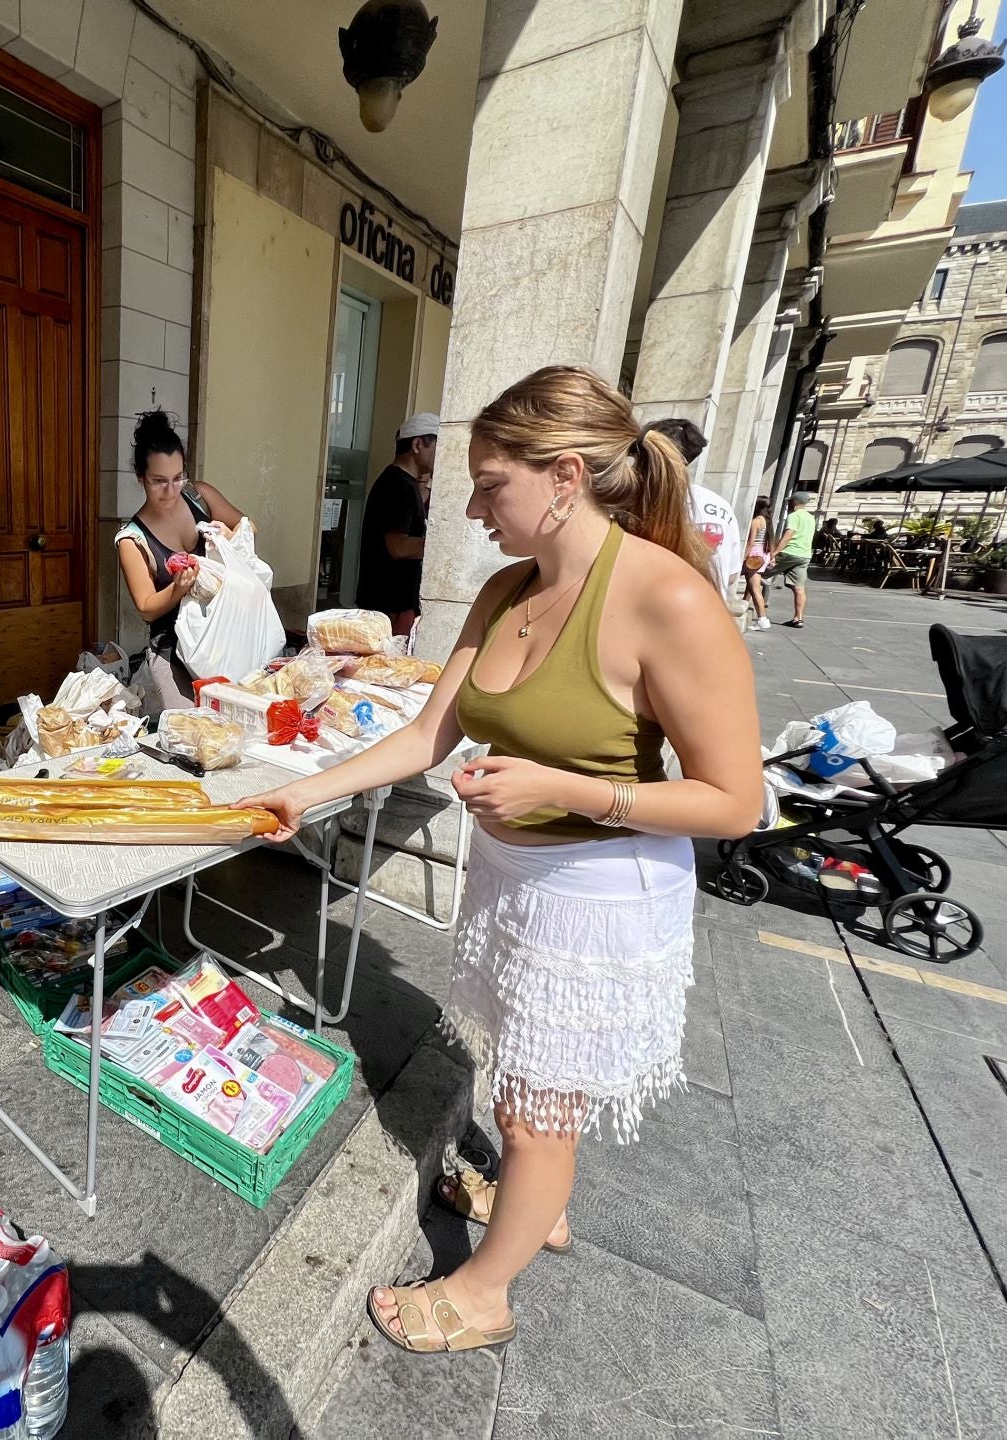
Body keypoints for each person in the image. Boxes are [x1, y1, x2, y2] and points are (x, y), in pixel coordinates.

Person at [237, 365, 760, 1358]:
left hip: (599, 899)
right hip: (513, 882)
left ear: (564, 475)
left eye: (488, 485)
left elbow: (736, 801)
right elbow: (432, 734)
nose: (470, 509)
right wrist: (305, 791)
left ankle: (485, 1290)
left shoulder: (668, 600)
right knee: (528, 1089)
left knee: (534, 1111)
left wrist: (570, 791)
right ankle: (537, 1203)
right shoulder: (507, 588)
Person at [115, 410, 246, 713]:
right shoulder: (132, 539)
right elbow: (146, 607)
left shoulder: (200, 497)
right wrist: (177, 589)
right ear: (140, 478)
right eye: (159, 481)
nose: (171, 490)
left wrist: (228, 532)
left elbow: (247, 527)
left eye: (178, 478)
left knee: (240, 722)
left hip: (225, 635)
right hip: (173, 652)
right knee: (194, 726)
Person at [646, 417, 745, 620]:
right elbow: (732, 574)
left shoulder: (647, 503)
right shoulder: (721, 505)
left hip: (659, 622)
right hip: (709, 621)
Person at [356, 412, 439, 635]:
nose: (440, 455)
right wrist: (441, 547)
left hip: (392, 604)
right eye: (437, 447)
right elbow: (398, 547)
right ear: (418, 444)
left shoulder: (403, 483)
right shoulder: (397, 485)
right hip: (390, 607)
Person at [762, 490, 817, 629]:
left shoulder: (793, 516)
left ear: (794, 502)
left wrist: (774, 553)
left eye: (790, 501)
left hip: (789, 552)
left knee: (757, 574)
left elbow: (788, 535)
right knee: (799, 587)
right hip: (804, 555)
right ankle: (798, 618)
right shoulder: (811, 518)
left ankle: (752, 605)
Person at [743, 498, 773, 631]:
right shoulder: (767, 521)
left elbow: (751, 542)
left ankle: (762, 619)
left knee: (755, 588)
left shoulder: (756, 521)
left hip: (754, 555)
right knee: (752, 585)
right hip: (764, 554)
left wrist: (743, 557)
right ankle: (745, 604)